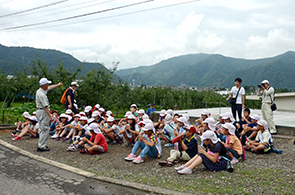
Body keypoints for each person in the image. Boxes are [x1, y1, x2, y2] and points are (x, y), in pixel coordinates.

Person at [36, 78, 62, 152]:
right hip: (43, 112)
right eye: (47, 84)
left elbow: (50, 88)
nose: (48, 85)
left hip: (40, 111)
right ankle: (41, 146)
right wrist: (50, 117)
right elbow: (46, 107)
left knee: (42, 129)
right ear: (44, 85)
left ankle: (42, 144)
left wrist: (57, 85)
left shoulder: (40, 90)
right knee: (45, 129)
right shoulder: (42, 95)